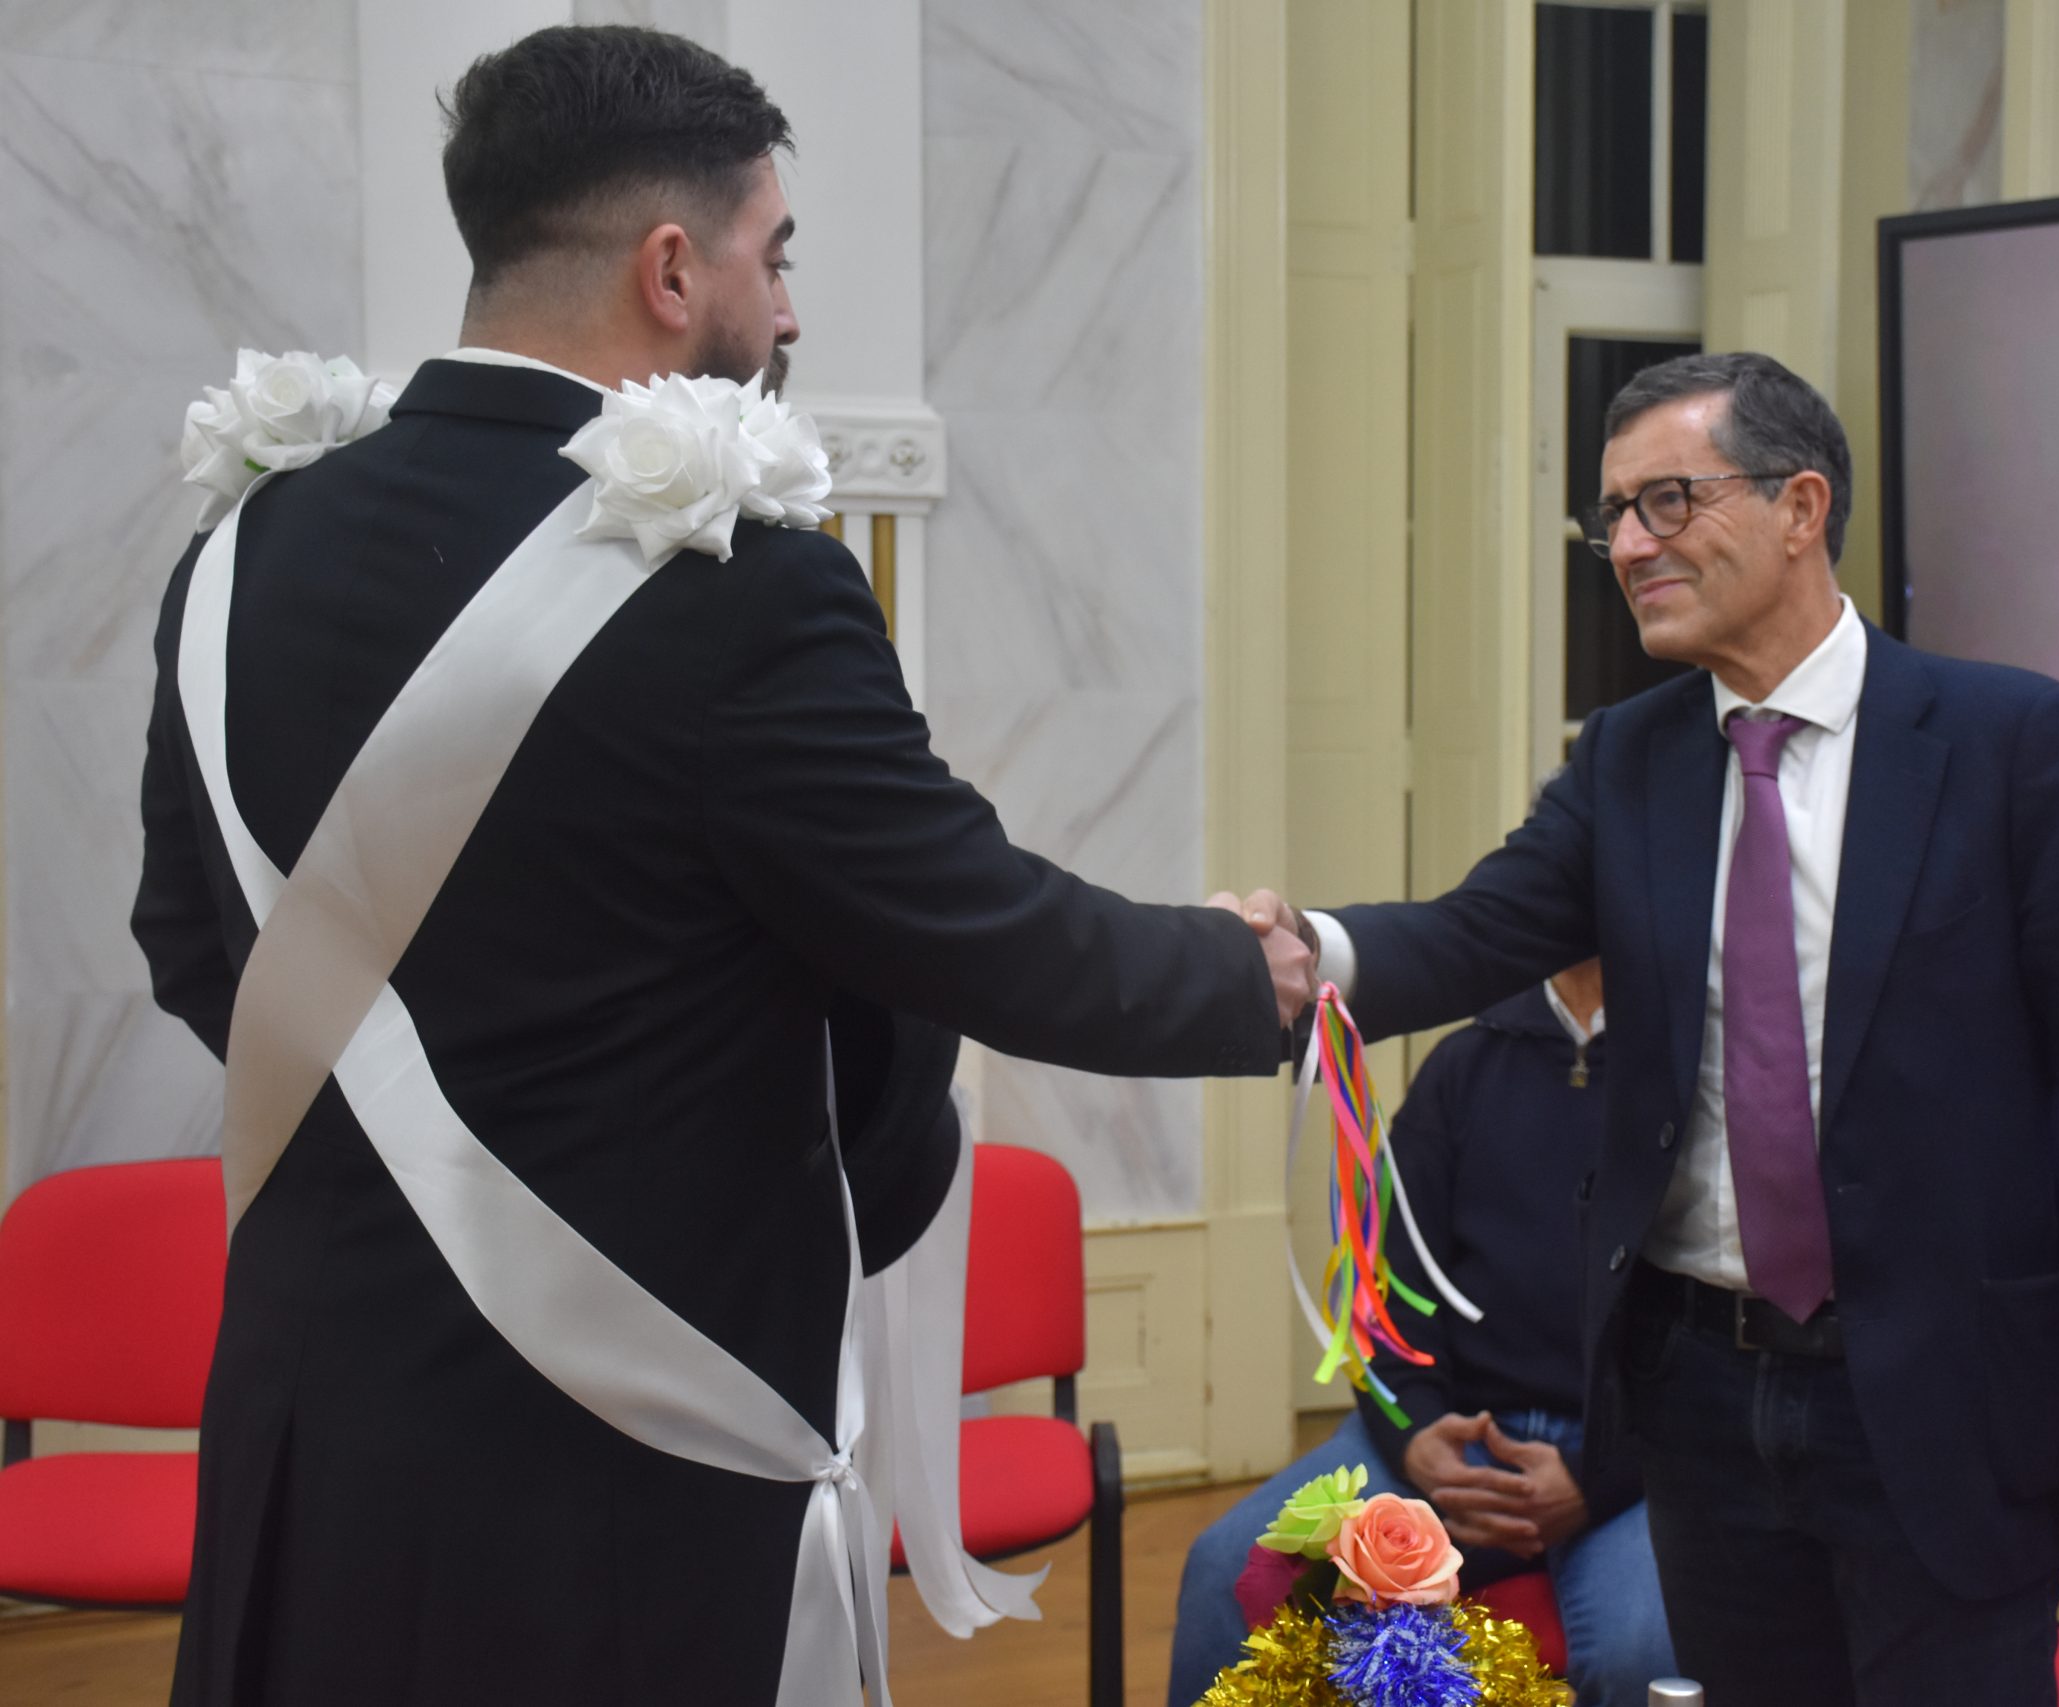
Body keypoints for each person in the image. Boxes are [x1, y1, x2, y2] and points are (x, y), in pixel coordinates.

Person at [129, 27, 1311, 1705]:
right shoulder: (739, 587)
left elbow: (196, 946)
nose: (793, 310)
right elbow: (963, 934)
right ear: (673, 269)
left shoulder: (242, 546)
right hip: (616, 1448)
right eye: (779, 254)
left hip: (311, 1418)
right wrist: (1255, 972)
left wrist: (422, 1108)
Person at [1265, 352, 2059, 1705]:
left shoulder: (2015, 743)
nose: (1629, 546)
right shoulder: (1630, 756)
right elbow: (1474, 931)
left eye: (1668, 500)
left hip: (1946, 1389)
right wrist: (1301, 954)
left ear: (1799, 506)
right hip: (1699, 1390)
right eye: (1614, 515)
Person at [1165, 959, 1677, 1707]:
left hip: (1631, 1461)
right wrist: (1415, 1435)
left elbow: (1709, 1335)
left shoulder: (1690, 1071)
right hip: (1448, 1440)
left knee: (1647, 1653)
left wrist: (1598, 1479)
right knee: (1224, 1571)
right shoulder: (1463, 1067)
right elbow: (1382, 1294)